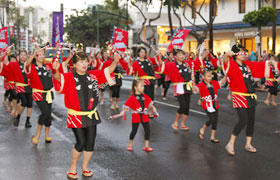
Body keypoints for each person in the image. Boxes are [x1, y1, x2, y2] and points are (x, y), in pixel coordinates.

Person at [52, 51, 119, 179]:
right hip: (76, 115)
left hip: (91, 115)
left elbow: (107, 71)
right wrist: (55, 70)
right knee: (81, 142)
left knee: (90, 143)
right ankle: (72, 167)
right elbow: (57, 78)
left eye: (86, 61)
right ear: (74, 65)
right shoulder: (69, 76)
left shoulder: (93, 76)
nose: (84, 64)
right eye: (81, 62)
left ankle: (85, 167)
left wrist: (115, 61)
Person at [222, 44, 277, 156]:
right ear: (235, 54)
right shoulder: (231, 64)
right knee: (243, 120)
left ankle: (248, 144)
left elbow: (260, 65)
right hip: (239, 96)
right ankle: (230, 143)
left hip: (250, 95)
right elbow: (225, 60)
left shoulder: (247, 64)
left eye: (244, 52)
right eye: (241, 52)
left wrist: (272, 63)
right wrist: (228, 54)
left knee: (251, 121)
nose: (244, 54)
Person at [159, 49, 195, 131]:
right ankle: (176, 122)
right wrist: (159, 57)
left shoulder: (187, 64)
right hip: (178, 86)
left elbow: (191, 74)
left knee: (187, 107)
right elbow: (162, 68)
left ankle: (183, 124)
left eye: (183, 54)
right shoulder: (171, 65)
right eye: (180, 54)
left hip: (188, 86)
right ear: (175, 57)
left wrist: (193, 83)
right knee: (182, 106)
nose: (182, 56)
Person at [25, 49, 55, 145]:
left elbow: (56, 71)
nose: (42, 56)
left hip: (48, 93)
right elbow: (27, 65)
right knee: (45, 112)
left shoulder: (48, 67)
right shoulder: (32, 67)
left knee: (48, 115)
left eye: (43, 55)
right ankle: (37, 135)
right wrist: (33, 55)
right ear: (36, 56)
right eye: (39, 55)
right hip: (38, 93)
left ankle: (47, 136)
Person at [119, 79, 158, 152]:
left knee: (147, 130)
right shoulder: (132, 97)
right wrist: (123, 111)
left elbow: (150, 103)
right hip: (136, 116)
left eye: (143, 86)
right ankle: (130, 144)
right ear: (135, 87)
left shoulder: (145, 96)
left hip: (144, 116)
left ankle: (146, 146)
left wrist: (154, 108)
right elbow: (126, 106)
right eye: (141, 86)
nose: (143, 88)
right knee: (134, 130)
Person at [193, 70, 226, 143]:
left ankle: (212, 136)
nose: (210, 77)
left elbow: (221, 83)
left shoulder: (213, 83)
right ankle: (203, 129)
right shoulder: (201, 85)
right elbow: (195, 89)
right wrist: (193, 83)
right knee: (212, 119)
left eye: (210, 76)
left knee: (215, 120)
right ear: (203, 77)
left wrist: (226, 76)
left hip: (214, 103)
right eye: (208, 76)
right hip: (207, 104)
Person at [2, 50, 33, 127]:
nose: (23, 56)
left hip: (29, 86)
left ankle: (27, 121)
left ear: (27, 56)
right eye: (21, 54)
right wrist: (6, 53)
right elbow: (6, 62)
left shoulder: (29, 65)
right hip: (20, 86)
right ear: (19, 56)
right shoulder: (15, 64)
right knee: (24, 102)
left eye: (24, 55)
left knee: (29, 104)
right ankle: (18, 118)